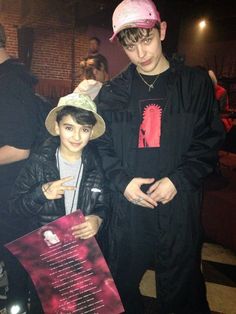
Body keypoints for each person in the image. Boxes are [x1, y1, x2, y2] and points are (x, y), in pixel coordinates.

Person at [94, 0, 225, 313]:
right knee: (119, 284)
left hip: (178, 205)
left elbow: (209, 141)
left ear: (162, 30)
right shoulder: (113, 92)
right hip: (129, 208)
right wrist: (122, 182)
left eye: (147, 40)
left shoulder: (194, 84)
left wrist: (178, 180)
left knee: (182, 289)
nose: (141, 54)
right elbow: (101, 145)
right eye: (131, 47)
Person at [8, 93, 109, 313]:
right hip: (44, 254)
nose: (76, 136)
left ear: (91, 132)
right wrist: (42, 193)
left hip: (79, 253)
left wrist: (98, 219)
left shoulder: (96, 164)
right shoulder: (38, 163)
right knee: (42, 306)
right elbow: (14, 206)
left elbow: (103, 203)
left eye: (84, 129)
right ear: (57, 127)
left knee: (78, 307)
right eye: (69, 127)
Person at [0, 23, 40, 313]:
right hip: (8, 191)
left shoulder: (10, 83)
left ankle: (16, 306)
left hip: (10, 194)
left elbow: (19, 147)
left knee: (16, 263)